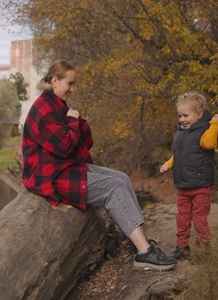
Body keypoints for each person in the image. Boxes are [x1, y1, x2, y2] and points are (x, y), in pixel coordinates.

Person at [22, 59, 176, 271]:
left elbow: (85, 141)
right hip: (50, 177)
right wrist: (74, 122)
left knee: (122, 178)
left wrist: (75, 122)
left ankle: (140, 242)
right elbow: (66, 145)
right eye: (70, 84)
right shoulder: (43, 109)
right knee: (113, 187)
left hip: (65, 167)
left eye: (74, 84)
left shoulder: (57, 105)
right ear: (55, 81)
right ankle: (144, 254)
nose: (72, 89)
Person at [159, 90, 218, 260]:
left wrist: (214, 125)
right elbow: (179, 154)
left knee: (199, 219)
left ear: (199, 114)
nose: (182, 120)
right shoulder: (180, 133)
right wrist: (169, 164)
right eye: (180, 116)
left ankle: (204, 249)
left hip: (200, 184)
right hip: (183, 185)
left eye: (186, 115)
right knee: (182, 217)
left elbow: (209, 144)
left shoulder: (206, 131)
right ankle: (182, 246)